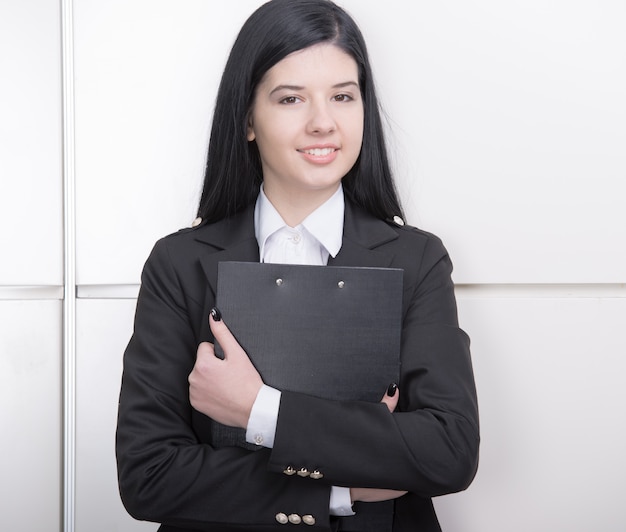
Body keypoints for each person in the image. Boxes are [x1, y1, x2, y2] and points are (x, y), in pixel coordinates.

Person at [116, 1, 479, 531]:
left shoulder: (417, 260)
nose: (323, 122)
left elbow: (447, 451)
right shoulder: (180, 263)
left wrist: (257, 409)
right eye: (291, 99)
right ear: (247, 120)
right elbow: (149, 476)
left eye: (343, 96)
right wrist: (342, 484)